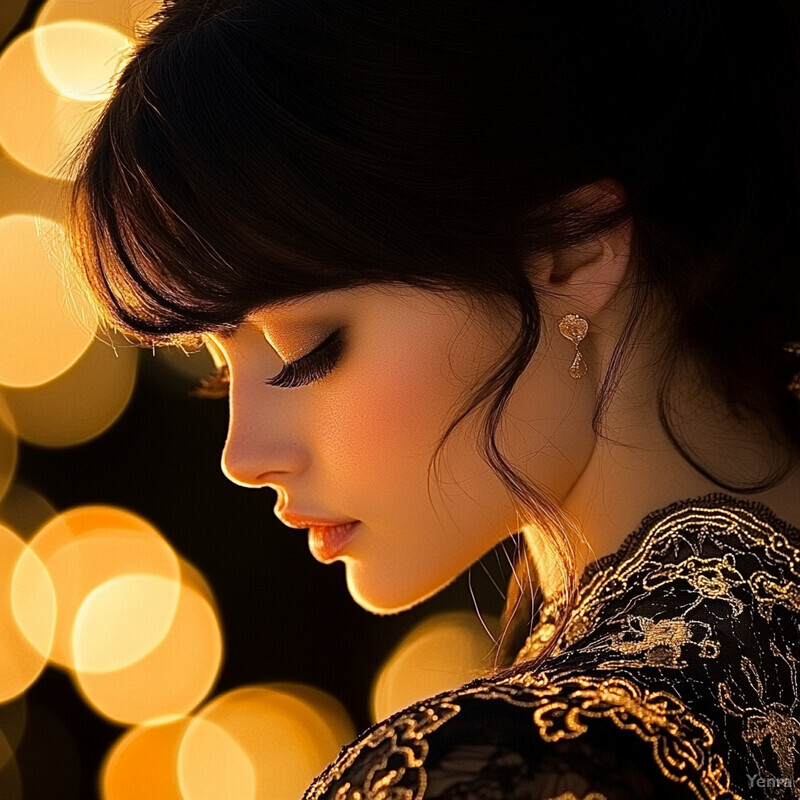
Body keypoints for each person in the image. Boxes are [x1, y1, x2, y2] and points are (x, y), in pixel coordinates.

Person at [67, 0, 800, 796]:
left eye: (304, 351)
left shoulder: (505, 765)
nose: (243, 457)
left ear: (570, 250)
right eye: (215, 369)